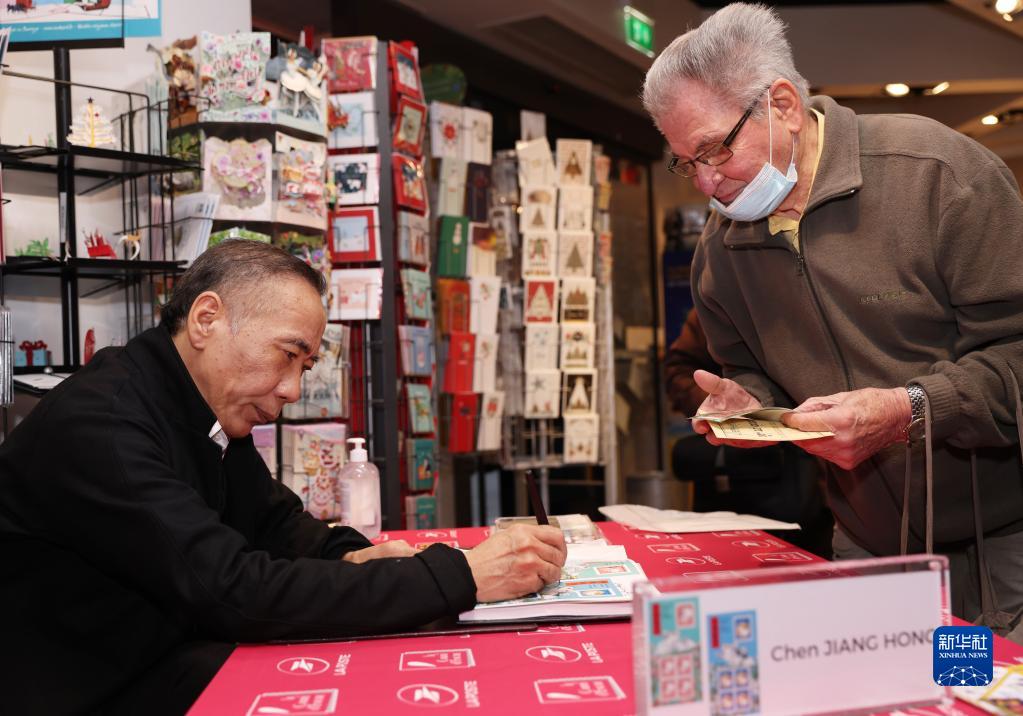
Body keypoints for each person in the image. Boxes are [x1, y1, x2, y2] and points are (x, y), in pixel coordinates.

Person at [0, 240, 567, 714]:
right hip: (91, 692)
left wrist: (353, 555)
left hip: (160, 657)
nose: (292, 389)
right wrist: (457, 576)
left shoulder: (198, 404)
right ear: (206, 320)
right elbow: (233, 590)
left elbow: (277, 523)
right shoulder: (105, 425)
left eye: (305, 365)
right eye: (286, 355)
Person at [643, 3, 1023, 635]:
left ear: (784, 106)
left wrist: (908, 410)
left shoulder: (939, 176)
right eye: (686, 161)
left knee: (979, 687)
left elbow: (1016, 352)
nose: (705, 184)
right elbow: (753, 370)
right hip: (868, 545)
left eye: (715, 149)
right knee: (885, 689)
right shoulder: (721, 250)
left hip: (1002, 546)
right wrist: (749, 405)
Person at [665, 307, 832, 557]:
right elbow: (678, 370)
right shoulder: (717, 303)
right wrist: (721, 406)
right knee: (731, 558)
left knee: (818, 561)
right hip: (741, 472)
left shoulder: (816, 301)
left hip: (826, 466)